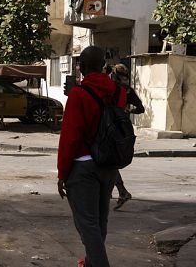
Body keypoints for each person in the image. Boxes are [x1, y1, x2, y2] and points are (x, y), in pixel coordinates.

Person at [57, 46, 127, 267]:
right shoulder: (119, 92)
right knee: (99, 221)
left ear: (82, 67)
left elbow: (70, 138)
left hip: (82, 166)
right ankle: (90, 262)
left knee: (87, 225)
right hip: (108, 164)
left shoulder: (78, 94)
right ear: (103, 66)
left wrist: (62, 173)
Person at [110, 63, 144, 211]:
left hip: (109, 128)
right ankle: (119, 191)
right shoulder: (128, 90)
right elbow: (141, 109)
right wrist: (128, 111)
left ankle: (121, 191)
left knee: (107, 161)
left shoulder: (111, 88)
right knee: (110, 161)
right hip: (123, 129)